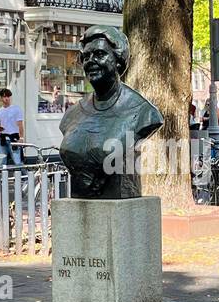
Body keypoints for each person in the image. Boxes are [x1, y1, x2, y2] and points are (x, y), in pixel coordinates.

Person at [58, 23, 163, 198]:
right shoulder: (72, 114)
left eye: (100, 54)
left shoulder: (143, 113)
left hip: (120, 200)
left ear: (119, 61)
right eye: (86, 56)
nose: (91, 61)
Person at [0, 88, 25, 166]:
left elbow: (20, 124)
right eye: (5, 96)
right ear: (1, 98)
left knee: (18, 161)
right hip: (3, 138)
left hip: (14, 137)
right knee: (1, 161)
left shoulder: (16, 109)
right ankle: (2, 177)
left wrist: (21, 138)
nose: (7, 98)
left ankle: (24, 178)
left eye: (8, 96)